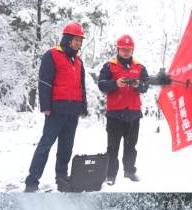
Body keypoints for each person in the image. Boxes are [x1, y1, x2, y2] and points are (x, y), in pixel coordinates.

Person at [24, 22, 88, 193]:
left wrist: (83, 106)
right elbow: (44, 82)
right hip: (56, 109)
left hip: (73, 110)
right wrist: (45, 106)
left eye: (80, 40)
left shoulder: (79, 61)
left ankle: (61, 177)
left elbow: (81, 85)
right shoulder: (51, 55)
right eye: (76, 40)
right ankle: (32, 181)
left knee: (66, 147)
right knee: (46, 145)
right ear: (67, 39)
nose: (79, 43)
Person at [97, 34, 149, 185]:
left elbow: (146, 86)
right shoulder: (109, 66)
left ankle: (130, 171)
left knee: (131, 146)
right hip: (115, 114)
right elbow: (101, 84)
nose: (126, 52)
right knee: (113, 147)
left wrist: (137, 85)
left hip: (133, 113)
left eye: (129, 49)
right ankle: (110, 175)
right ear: (118, 49)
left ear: (132, 50)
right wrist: (115, 83)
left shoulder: (139, 67)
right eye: (123, 49)